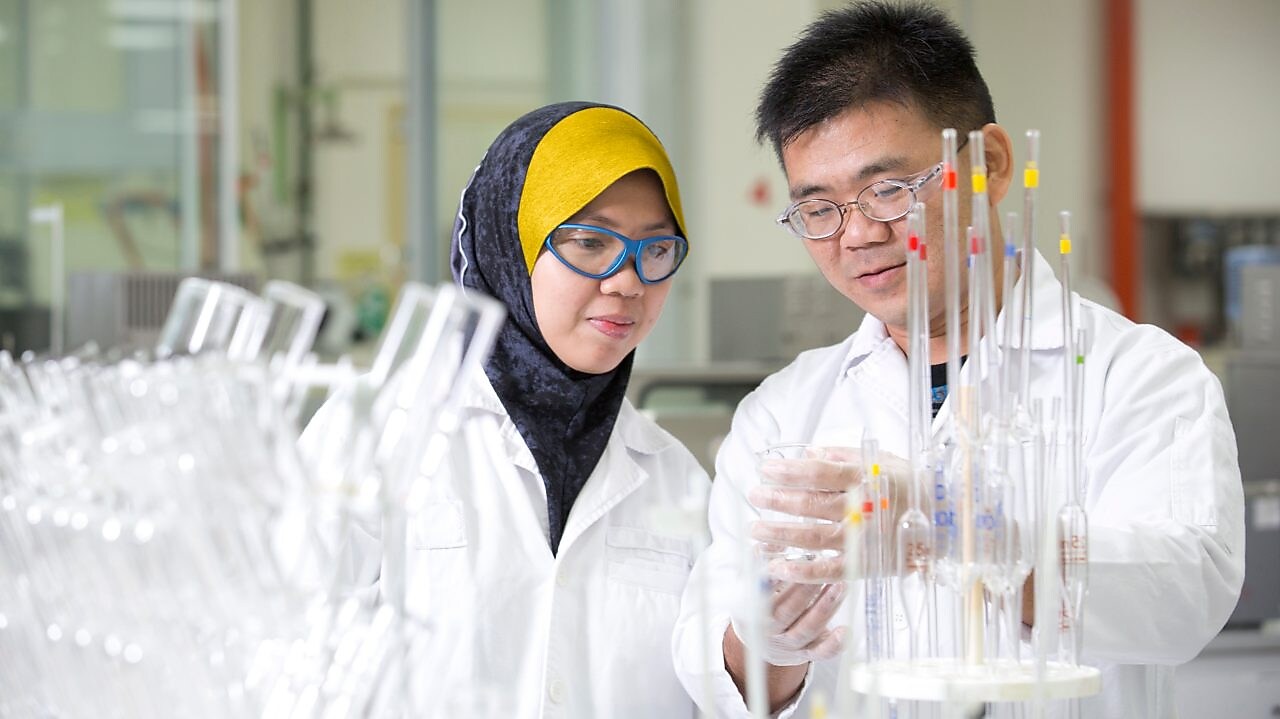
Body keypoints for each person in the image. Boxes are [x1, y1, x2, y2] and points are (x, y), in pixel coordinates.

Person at [670, 3, 1244, 718]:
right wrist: (770, 643)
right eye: (818, 209)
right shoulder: (782, 414)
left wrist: (959, 528)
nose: (856, 236)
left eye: (886, 190)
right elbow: (718, 676)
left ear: (992, 166)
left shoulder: (1141, 376)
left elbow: (1187, 594)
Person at [312, 102, 709, 717]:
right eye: (590, 241)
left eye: (656, 249)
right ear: (508, 244)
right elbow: (281, 665)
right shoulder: (373, 431)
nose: (629, 281)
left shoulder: (677, 479)